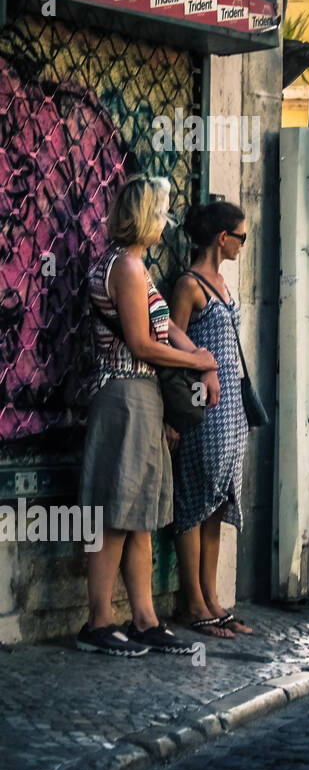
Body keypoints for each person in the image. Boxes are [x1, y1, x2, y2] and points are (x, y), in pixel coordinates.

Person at [78, 175, 217, 656]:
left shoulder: (136, 267)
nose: (167, 221)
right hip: (125, 394)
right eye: (162, 212)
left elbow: (165, 332)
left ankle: (145, 619)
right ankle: (98, 621)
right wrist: (197, 361)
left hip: (141, 397)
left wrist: (203, 357)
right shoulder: (127, 269)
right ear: (144, 216)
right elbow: (141, 343)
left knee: (138, 515)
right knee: (116, 513)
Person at [170, 202, 252, 639]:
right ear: (222, 237)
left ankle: (212, 597)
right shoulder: (189, 285)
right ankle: (194, 604)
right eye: (241, 236)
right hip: (200, 408)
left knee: (218, 504)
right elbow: (172, 346)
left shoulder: (222, 284)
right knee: (193, 501)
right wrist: (176, 415)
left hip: (230, 409)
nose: (243, 243)